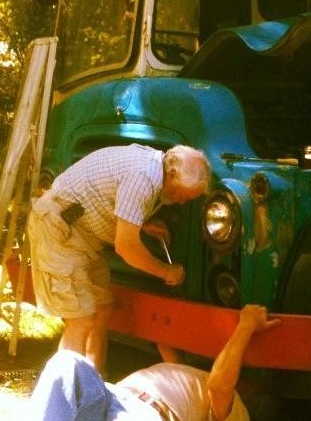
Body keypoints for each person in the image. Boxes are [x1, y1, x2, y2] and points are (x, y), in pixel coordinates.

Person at [2, 303, 281, 421]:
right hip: (110, 400)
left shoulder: (237, 417)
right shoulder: (193, 376)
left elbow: (221, 384)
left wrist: (246, 326)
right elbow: (166, 341)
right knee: (67, 362)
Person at [27, 143, 210, 369]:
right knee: (80, 319)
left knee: (102, 309)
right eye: (184, 195)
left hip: (83, 233)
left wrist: (141, 224)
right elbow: (126, 248)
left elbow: (109, 197)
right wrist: (165, 270)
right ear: (172, 174)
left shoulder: (153, 167)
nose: (182, 202)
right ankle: (65, 398)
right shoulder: (143, 177)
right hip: (58, 229)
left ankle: (95, 383)